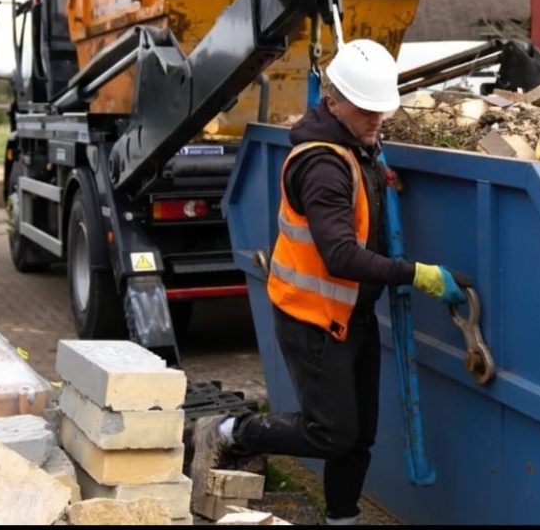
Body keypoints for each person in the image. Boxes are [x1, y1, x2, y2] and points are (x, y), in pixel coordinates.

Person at [189, 39, 472, 525]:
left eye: (381, 110)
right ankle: (232, 431)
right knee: (331, 433)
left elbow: (361, 196)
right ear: (334, 99)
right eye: (366, 111)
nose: (376, 120)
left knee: (359, 434)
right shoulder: (321, 165)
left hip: (349, 314)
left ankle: (341, 519)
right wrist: (419, 276)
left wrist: (381, 183)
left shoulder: (356, 145)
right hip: (312, 317)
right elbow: (340, 256)